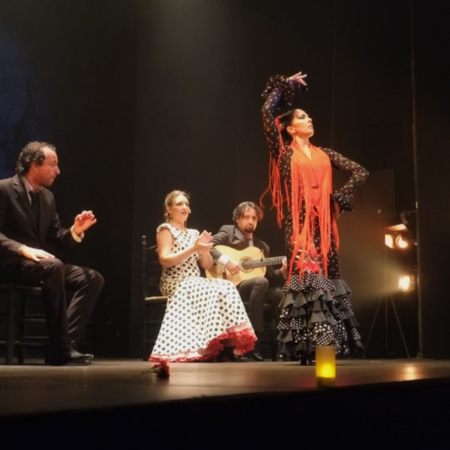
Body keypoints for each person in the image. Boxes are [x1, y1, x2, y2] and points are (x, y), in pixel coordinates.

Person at [260, 70, 369, 364]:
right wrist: (284, 87)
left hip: (325, 228)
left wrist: (340, 196)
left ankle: (325, 350)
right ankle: (305, 349)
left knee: (327, 283)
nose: (310, 120)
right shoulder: (283, 154)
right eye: (303, 117)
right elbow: (267, 112)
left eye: (309, 117)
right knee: (307, 283)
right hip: (298, 228)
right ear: (290, 128)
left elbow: (361, 172)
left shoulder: (326, 153)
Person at [0, 141, 104, 365]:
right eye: (53, 164)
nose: (58, 171)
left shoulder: (47, 197)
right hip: (10, 264)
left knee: (92, 278)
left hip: (41, 265)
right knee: (53, 265)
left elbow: (57, 236)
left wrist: (75, 231)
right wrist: (21, 248)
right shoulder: (4, 189)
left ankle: (64, 345)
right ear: (34, 164)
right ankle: (61, 348)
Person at [149, 190, 256, 363]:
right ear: (169, 209)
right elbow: (164, 260)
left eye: (186, 204)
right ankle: (207, 346)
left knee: (225, 285)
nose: (184, 207)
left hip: (195, 281)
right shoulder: (165, 229)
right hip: (176, 281)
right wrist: (194, 248)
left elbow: (205, 265)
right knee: (208, 287)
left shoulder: (193, 233)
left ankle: (226, 345)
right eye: (179, 204)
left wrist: (204, 250)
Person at [210, 201, 287, 362]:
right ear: (237, 219)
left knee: (285, 296)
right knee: (261, 283)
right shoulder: (228, 232)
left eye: (254, 218)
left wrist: (282, 272)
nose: (250, 221)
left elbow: (268, 276)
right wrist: (227, 261)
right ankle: (253, 343)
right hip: (231, 286)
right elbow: (209, 247)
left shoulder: (262, 246)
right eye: (246, 217)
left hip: (257, 288)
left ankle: (285, 347)